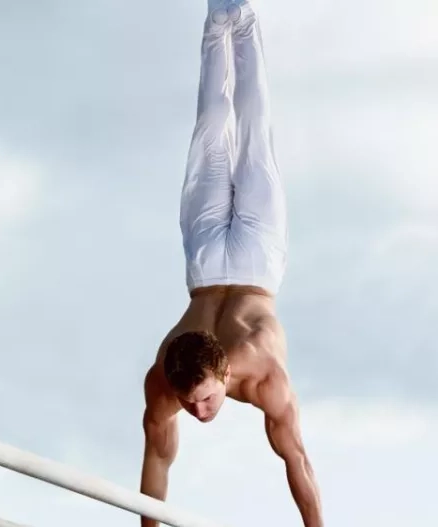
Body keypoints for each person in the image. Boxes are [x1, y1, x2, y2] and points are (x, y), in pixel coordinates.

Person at [139, 1, 323, 526]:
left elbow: (297, 459)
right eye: (190, 403)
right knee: (234, 134)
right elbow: (157, 460)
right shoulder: (166, 380)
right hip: (244, 263)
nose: (199, 412)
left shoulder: (264, 375)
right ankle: (226, 18)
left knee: (229, 131)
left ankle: (230, 19)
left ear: (224, 370)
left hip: (223, 266)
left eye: (203, 399)